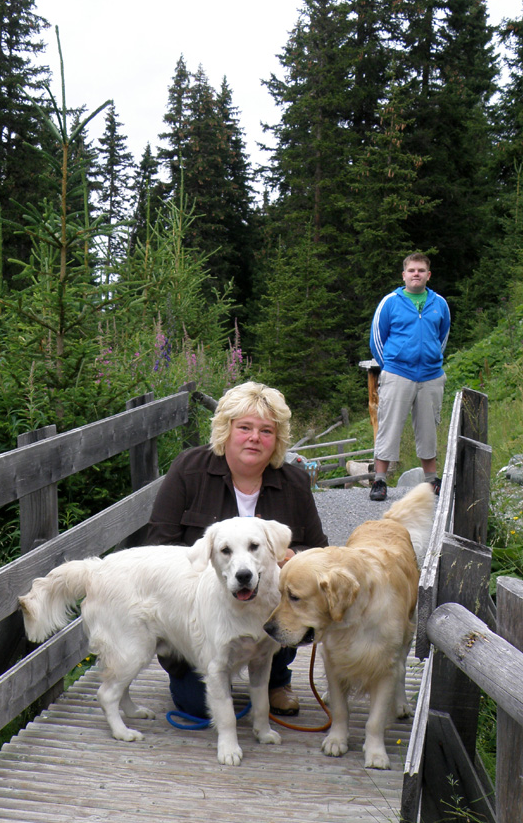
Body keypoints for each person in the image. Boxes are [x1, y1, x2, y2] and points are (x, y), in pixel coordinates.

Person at [145, 380, 328, 718]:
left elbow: (319, 552)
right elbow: (159, 544)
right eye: (244, 427)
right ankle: (200, 673)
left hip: (267, 613)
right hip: (201, 615)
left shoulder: (295, 482)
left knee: (285, 589)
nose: (255, 438)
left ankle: (276, 677)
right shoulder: (190, 469)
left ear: (278, 440)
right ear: (225, 430)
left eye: (266, 431)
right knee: (196, 707)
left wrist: (290, 557)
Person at [368, 252, 451, 502]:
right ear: (404, 275)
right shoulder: (390, 302)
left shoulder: (439, 303)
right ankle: (380, 481)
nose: (416, 274)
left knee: (428, 428)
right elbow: (377, 339)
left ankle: (431, 481)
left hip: (430, 376)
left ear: (428, 275)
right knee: (389, 427)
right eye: (412, 270)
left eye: (421, 270)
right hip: (397, 374)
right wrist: (391, 366)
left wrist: (432, 359)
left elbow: (442, 336)